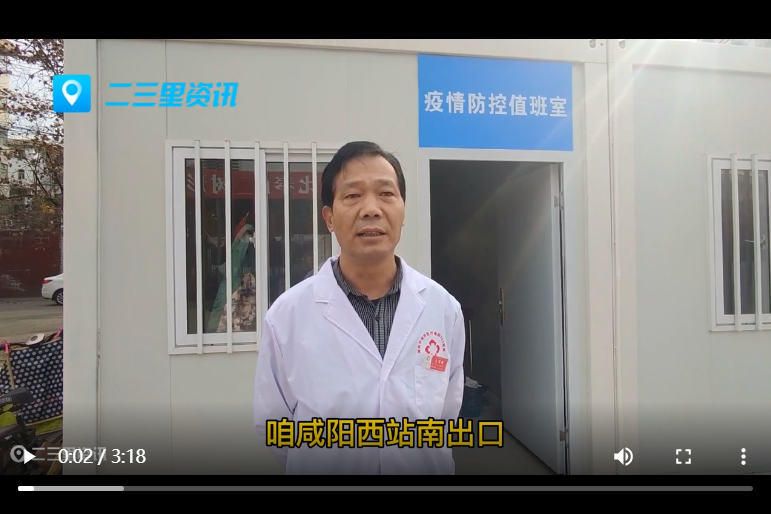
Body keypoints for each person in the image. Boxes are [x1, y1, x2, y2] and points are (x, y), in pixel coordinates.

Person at [253, 141, 465, 475]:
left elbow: (446, 414)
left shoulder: (443, 309)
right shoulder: (287, 316)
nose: (371, 209)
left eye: (386, 194)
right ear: (329, 218)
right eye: (353, 195)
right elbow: (274, 426)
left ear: (403, 211)